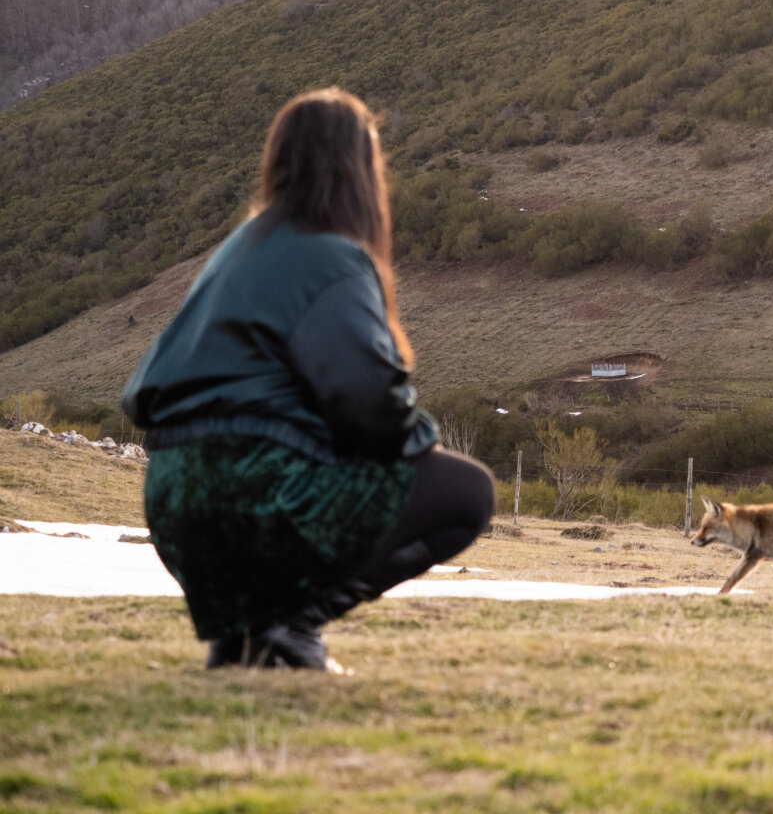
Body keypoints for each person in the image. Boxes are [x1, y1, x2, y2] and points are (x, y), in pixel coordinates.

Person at [122, 88, 494, 672]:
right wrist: (422, 444)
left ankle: (242, 635)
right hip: (256, 492)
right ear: (358, 170)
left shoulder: (235, 251)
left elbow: (146, 389)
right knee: (464, 493)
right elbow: (366, 402)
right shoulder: (332, 258)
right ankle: (287, 627)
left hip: (171, 505)